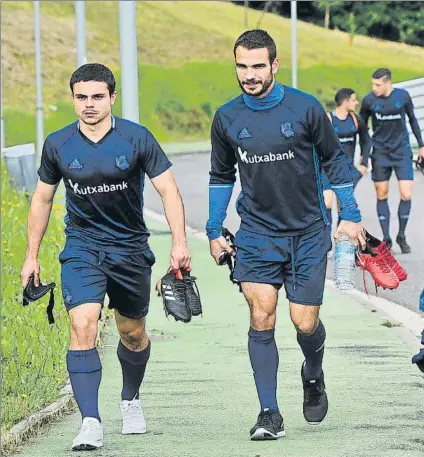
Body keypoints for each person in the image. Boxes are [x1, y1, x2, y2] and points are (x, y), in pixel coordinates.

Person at [20, 63, 191, 451]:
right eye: (82, 97)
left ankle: (130, 398)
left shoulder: (137, 138)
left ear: (112, 97)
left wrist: (179, 241)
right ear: (73, 98)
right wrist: (31, 256)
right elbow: (43, 198)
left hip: (130, 249)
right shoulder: (58, 144)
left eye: (98, 96)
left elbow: (168, 191)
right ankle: (90, 422)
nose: (89, 104)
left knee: (132, 333)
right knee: (83, 325)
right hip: (82, 247)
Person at [206, 30, 365, 441]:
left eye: (258, 66)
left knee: (304, 322)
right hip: (257, 233)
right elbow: (221, 176)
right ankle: (269, 412)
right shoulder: (226, 117)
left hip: (308, 232)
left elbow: (335, 162)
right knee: (261, 315)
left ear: (274, 65)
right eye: (242, 66)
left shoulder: (306, 108)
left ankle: (313, 374)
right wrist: (213, 228)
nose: (250, 74)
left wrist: (351, 214)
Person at [359, 68, 424, 253]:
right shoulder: (369, 100)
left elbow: (412, 120)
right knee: (382, 193)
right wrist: (364, 153)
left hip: (401, 151)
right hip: (380, 153)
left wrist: (421, 145)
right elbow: (362, 130)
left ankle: (401, 236)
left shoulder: (403, 96)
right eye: (373, 84)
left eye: (378, 85)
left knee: (406, 193)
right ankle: (386, 239)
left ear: (388, 83)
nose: (374, 88)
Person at [322, 88, 372, 233]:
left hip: (346, 170)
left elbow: (366, 140)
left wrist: (364, 163)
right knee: (327, 202)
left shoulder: (356, 120)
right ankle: (326, 245)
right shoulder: (328, 119)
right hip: (327, 169)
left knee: (342, 206)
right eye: (354, 100)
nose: (356, 103)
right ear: (345, 102)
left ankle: (340, 241)